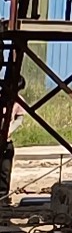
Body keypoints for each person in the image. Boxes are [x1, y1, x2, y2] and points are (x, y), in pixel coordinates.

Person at [0, 76, 26, 205]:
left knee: (5, 170)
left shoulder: (18, 101)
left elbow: (19, 119)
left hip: (6, 141)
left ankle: (3, 197)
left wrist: (9, 130)